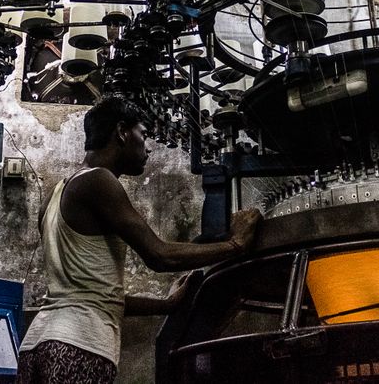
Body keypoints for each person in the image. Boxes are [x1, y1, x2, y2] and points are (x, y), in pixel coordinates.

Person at [18, 96, 263, 384]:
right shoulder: (99, 181)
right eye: (143, 135)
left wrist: (165, 304)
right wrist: (235, 246)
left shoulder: (55, 193)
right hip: (79, 343)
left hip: (37, 343)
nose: (147, 147)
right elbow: (159, 255)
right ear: (122, 132)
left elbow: (93, 295)